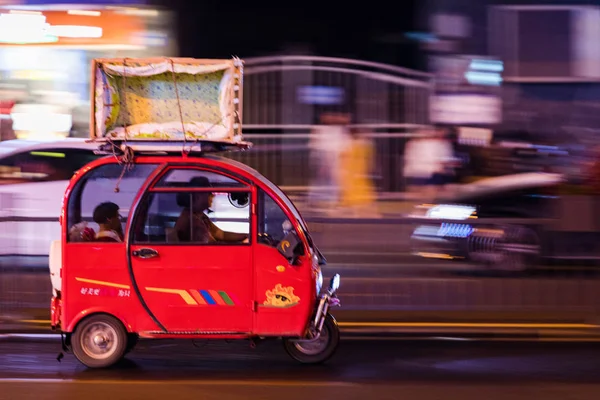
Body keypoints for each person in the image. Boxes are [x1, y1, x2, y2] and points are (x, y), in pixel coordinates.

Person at [174, 177, 248, 243]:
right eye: (209, 193)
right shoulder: (193, 221)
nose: (213, 195)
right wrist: (244, 245)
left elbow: (220, 234)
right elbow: (213, 247)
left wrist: (247, 236)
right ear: (197, 196)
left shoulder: (199, 215)